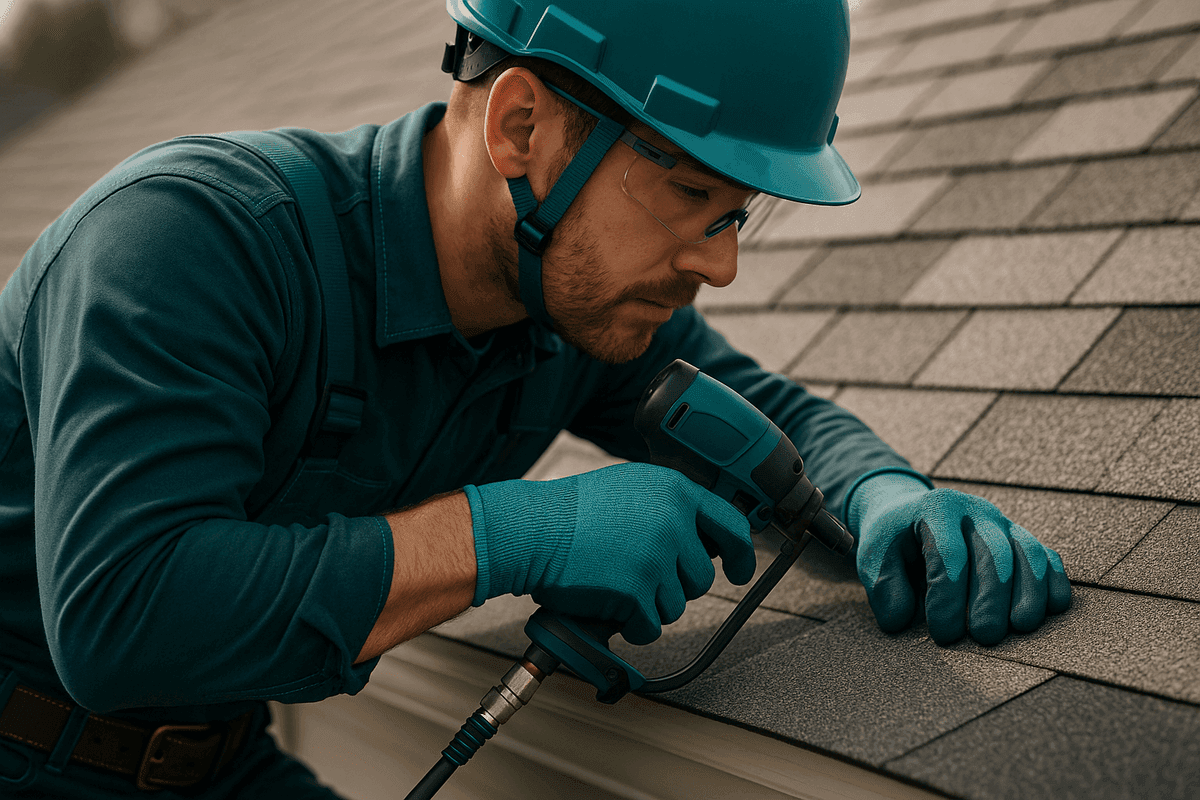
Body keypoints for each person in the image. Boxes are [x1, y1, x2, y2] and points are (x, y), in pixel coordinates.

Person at [0, 0, 1071, 796]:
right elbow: (123, 618)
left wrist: (882, 491)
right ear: (521, 129)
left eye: (736, 214)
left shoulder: (567, 304)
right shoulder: (189, 244)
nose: (721, 264)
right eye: (691, 195)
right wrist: (522, 530)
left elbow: (745, 404)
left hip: (218, 767)